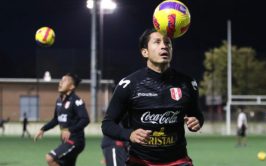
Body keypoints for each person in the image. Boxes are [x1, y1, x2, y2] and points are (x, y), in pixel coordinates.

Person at [101, 28, 204, 165]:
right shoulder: (129, 84)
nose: (164, 46)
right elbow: (107, 124)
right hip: (140, 161)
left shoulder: (188, 83)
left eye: (167, 43)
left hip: (178, 161)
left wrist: (196, 122)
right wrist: (129, 134)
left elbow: (197, 115)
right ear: (145, 52)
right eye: (157, 42)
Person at [34, 73, 90, 166]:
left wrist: (70, 130)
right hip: (65, 141)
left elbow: (85, 119)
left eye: (64, 81)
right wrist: (43, 129)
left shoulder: (76, 101)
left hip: (75, 141)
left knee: (50, 158)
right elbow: (56, 119)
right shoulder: (59, 100)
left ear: (71, 86)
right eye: (61, 80)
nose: (60, 83)